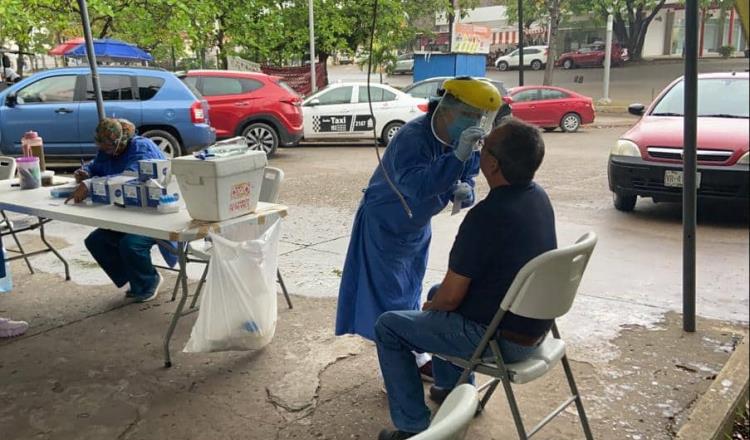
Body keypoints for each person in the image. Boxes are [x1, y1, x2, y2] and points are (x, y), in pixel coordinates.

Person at [374, 119, 555, 440]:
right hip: (534, 329)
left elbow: (451, 298)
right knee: (435, 290)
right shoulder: (537, 197)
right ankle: (452, 389)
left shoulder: (487, 216)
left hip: (502, 342)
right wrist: (438, 300)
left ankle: (412, 427)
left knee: (389, 326)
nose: (479, 150)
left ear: (493, 164)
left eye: (484, 147)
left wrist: (432, 306)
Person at [335, 78, 503, 377]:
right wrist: (456, 159)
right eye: (469, 114)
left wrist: (464, 192)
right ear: (448, 109)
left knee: (411, 291)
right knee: (387, 300)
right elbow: (418, 185)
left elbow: (469, 180)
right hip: (386, 224)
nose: (475, 123)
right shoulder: (411, 137)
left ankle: (414, 352)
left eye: (480, 117)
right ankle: (399, 367)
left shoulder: (466, 141)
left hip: (416, 228)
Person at [66, 118, 171, 302]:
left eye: (108, 146)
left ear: (120, 140)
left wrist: (89, 184)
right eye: (102, 146)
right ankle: (135, 278)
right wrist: (85, 172)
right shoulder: (109, 150)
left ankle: (148, 281)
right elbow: (96, 165)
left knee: (130, 244)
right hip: (126, 215)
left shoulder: (141, 148)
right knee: (96, 241)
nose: (105, 151)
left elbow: (130, 177)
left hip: (154, 215)